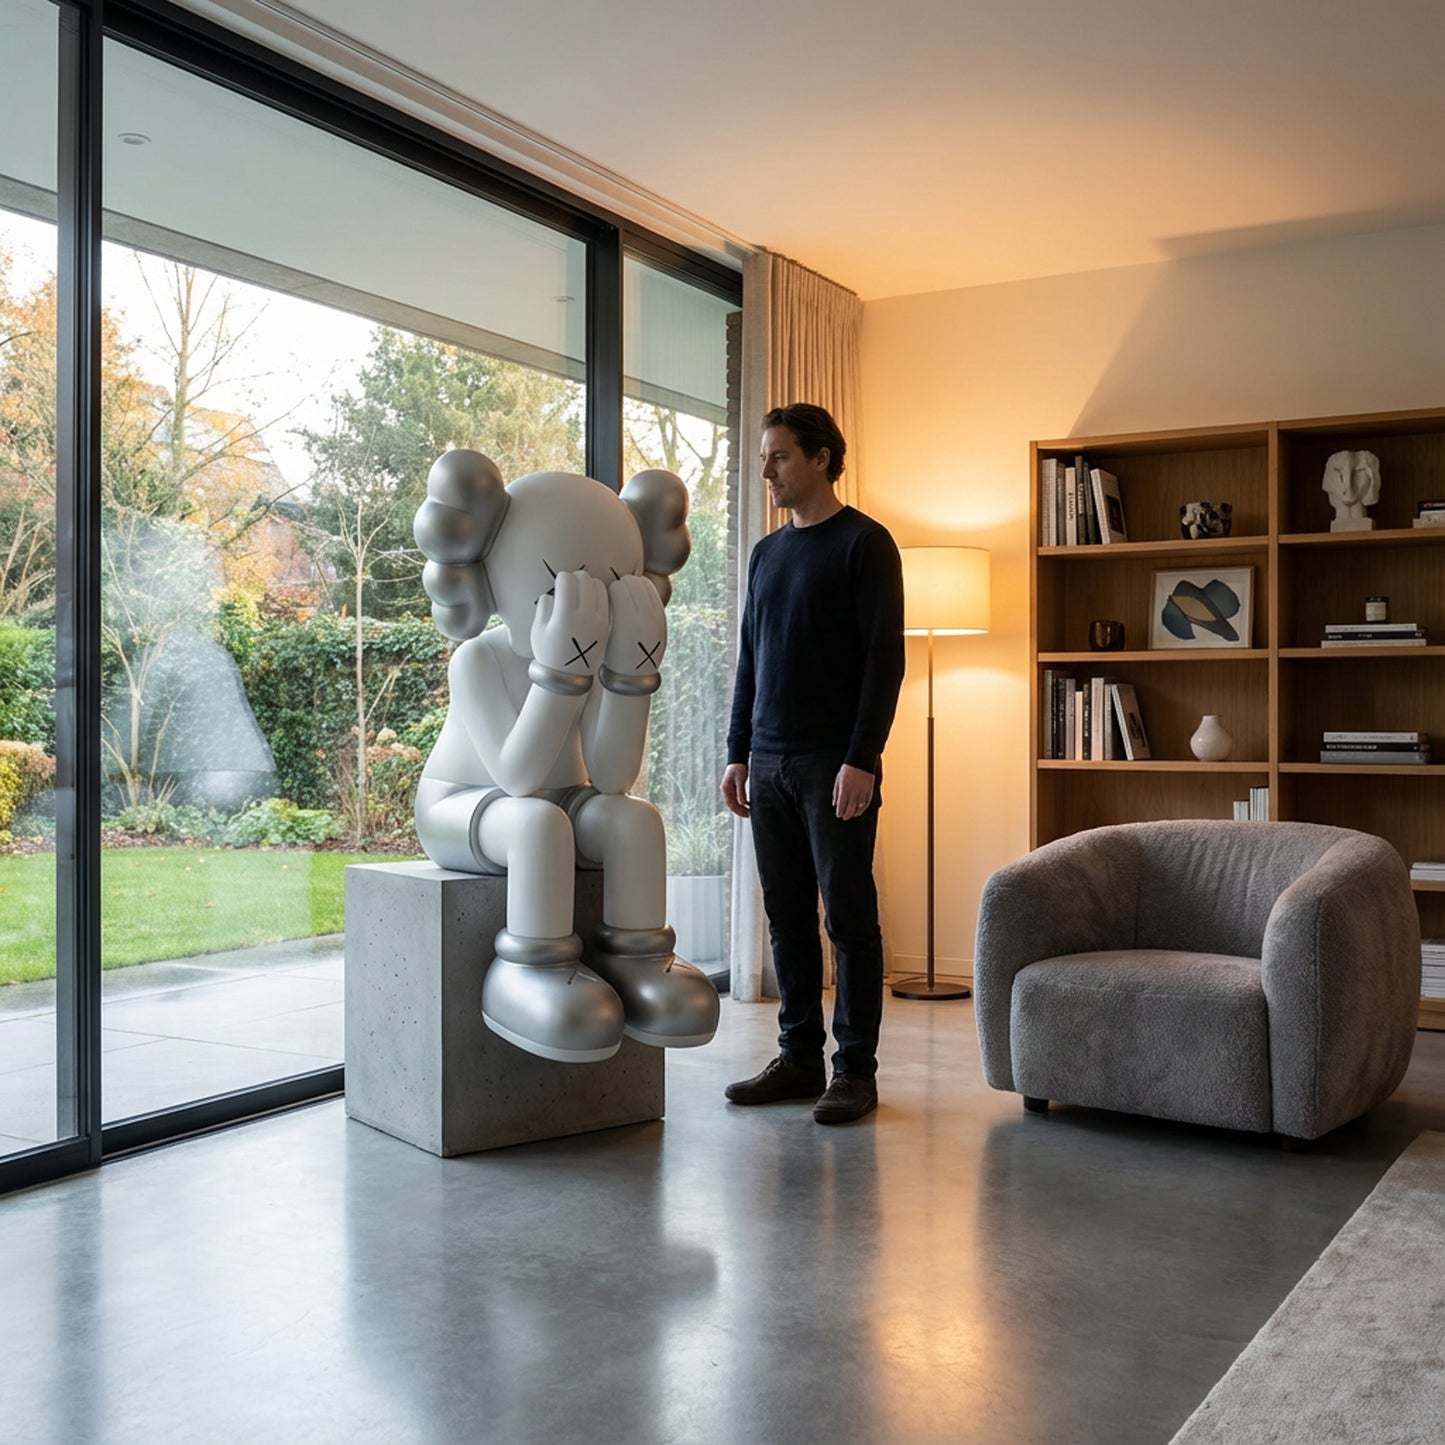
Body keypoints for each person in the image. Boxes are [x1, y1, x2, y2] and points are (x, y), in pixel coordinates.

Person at [721, 403, 905, 1123]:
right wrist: (737, 751)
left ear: (821, 458)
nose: (766, 469)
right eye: (765, 457)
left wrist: (862, 759)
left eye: (779, 456)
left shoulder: (866, 543)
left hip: (834, 764)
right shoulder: (766, 554)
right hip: (767, 764)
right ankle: (799, 1059)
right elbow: (749, 660)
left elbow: (882, 664)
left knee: (849, 920)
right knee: (786, 917)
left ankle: (853, 1071)